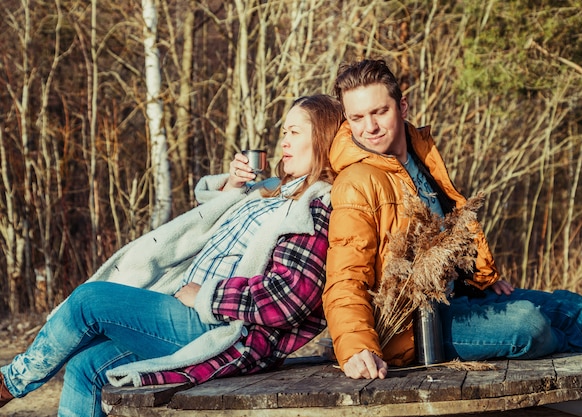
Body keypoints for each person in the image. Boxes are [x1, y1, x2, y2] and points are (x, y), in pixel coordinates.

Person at [0, 94, 345, 417]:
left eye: (295, 132)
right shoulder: (273, 192)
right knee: (86, 367)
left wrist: (207, 295)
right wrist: (235, 187)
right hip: (181, 310)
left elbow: (289, 299)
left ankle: (10, 383)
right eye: (283, 131)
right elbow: (212, 225)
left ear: (323, 139)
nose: (284, 140)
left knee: (90, 300)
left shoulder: (314, 207)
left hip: (217, 327)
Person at [321, 59, 582, 414]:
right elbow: (344, 275)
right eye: (356, 118)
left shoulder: (422, 156)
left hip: (459, 299)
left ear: (402, 107)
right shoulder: (357, 182)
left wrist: (482, 277)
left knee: (576, 308)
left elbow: (450, 227)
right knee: (528, 324)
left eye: (379, 112)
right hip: (411, 329)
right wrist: (355, 343)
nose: (369, 127)